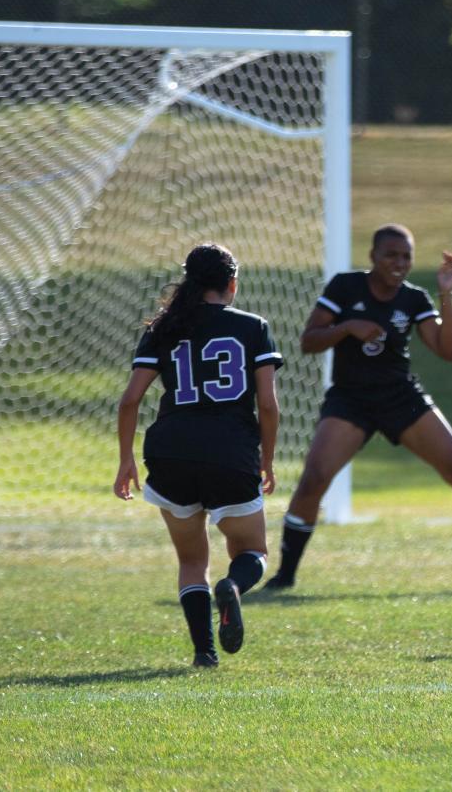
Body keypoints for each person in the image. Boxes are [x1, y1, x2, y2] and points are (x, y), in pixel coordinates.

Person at [263, 223, 452, 592]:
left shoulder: (414, 299)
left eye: (406, 256)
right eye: (391, 255)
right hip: (351, 399)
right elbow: (309, 341)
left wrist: (446, 294)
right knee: (314, 477)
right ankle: (284, 576)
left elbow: (448, 351)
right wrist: (349, 326)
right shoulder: (345, 287)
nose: (399, 262)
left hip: (401, 397)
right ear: (373, 257)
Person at [113, 244, 282, 668]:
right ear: (232, 283)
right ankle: (234, 588)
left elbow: (130, 400)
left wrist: (125, 459)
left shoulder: (164, 327)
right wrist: (268, 459)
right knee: (254, 553)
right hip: (230, 451)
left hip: (170, 452)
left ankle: (204, 653)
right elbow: (269, 405)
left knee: (191, 560)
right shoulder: (252, 327)